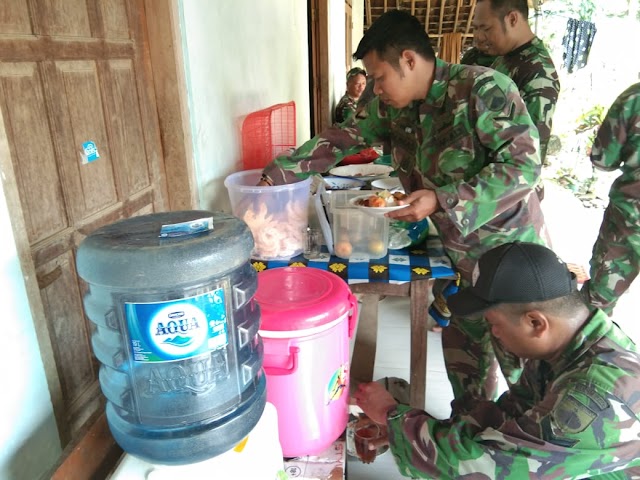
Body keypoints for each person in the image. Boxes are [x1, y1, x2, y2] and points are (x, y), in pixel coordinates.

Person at [260, 9, 549, 415]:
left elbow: (523, 167)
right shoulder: (393, 106)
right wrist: (275, 177)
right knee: (466, 371)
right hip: (460, 265)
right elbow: (344, 137)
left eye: (378, 77)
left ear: (410, 61)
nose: (374, 88)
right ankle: (466, 447)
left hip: (509, 263)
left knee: (529, 379)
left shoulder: (483, 90)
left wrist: (442, 198)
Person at [355, 242, 640, 479]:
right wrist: (403, 431)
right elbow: (506, 419)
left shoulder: (596, 396)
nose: (493, 333)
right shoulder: (566, 348)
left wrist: (392, 415)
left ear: (535, 322)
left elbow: (487, 469)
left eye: (493, 323)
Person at [465, 0, 560, 166]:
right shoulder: (503, 55)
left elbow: (527, 160)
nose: (478, 36)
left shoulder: (537, 75)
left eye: (486, 28)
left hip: (495, 187)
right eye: (476, 28)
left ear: (513, 19)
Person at [581, 82, 640, 316]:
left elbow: (603, 159)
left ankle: (590, 349)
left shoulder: (634, 97)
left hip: (630, 219)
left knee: (598, 301)